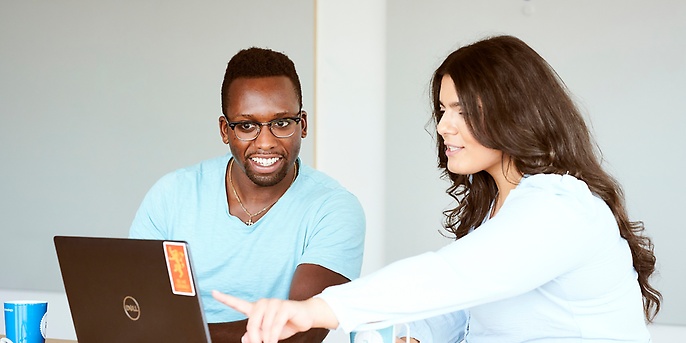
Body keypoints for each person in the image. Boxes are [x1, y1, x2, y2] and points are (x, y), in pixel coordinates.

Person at [212, 35, 662, 342]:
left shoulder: (561, 208)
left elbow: (453, 277)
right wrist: (413, 335)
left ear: (513, 113)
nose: (443, 126)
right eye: (443, 109)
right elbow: (462, 309)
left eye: (462, 111)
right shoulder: (498, 211)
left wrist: (313, 310)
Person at [129, 47, 366, 343]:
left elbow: (301, 332)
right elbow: (135, 309)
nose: (265, 143)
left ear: (302, 125)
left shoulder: (334, 208)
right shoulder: (171, 195)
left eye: (281, 123)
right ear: (225, 130)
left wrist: (178, 334)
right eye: (246, 126)